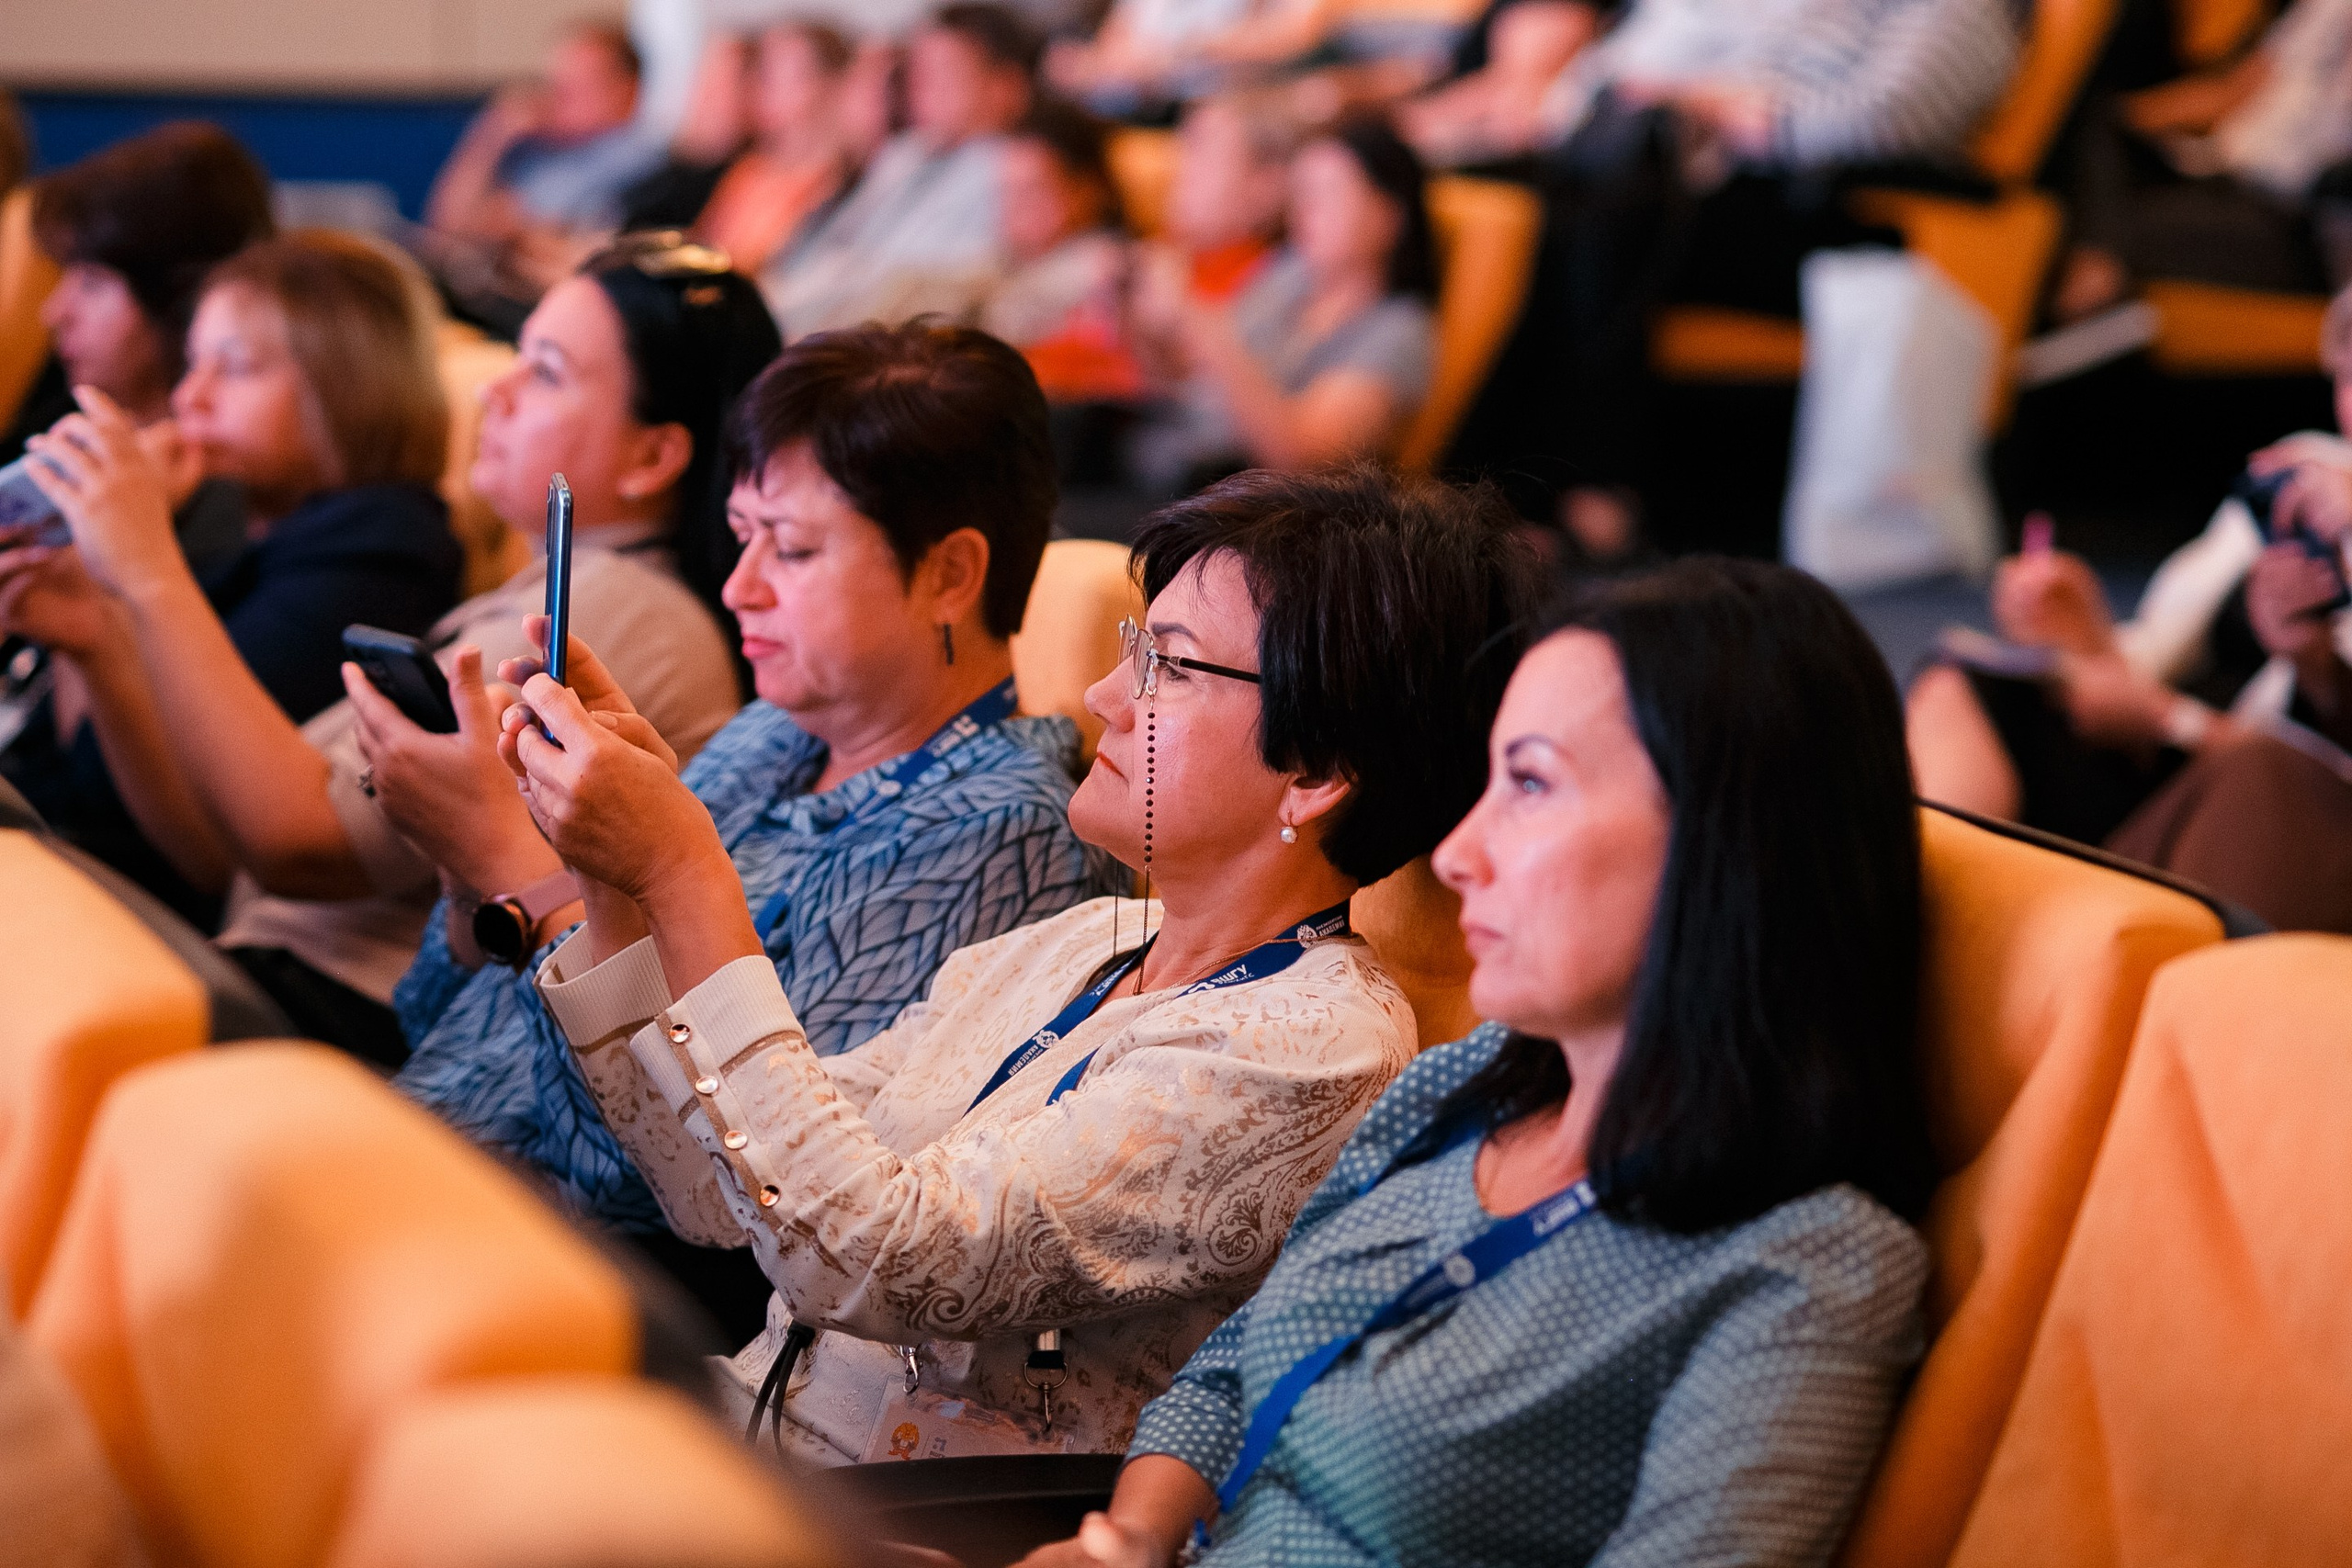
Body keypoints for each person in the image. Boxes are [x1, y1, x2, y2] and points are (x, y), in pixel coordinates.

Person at [499, 464, 1530, 1462]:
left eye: (1165, 664)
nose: (1101, 695)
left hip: (916, 1528)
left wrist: (688, 872)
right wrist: (618, 881)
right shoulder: (1082, 944)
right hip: (742, 1439)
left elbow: (873, 1260)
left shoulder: (1316, 1047)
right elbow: (714, 1185)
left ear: (1314, 772)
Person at [1021, 557, 1935, 1567]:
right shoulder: (1459, 1089)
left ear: (1725, 840)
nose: (1458, 855)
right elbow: (1230, 1368)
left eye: (1532, 784)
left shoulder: (1806, 1262)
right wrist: (1127, 1545)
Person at [386, 322, 1108, 1336]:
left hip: (550, 1280)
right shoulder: (773, 732)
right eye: (742, 534)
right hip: (419, 1163)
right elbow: (432, 1016)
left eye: (796, 548)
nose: (739, 587)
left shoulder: (1002, 833)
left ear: (951, 574)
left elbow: (694, 1206)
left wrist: (531, 866)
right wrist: (485, 878)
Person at [3, 238, 774, 1066]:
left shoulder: (619, 608)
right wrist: (99, 635)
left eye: (545, 372)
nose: (496, 391)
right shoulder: (544, 589)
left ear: (653, 453)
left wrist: (148, 569)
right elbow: (214, 849)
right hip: (282, 984)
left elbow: (299, 844)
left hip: (343, 1024)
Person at [0, 231, 462, 928]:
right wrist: (87, 618)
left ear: (346, 388)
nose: (191, 397)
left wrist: (127, 566)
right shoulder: (247, 520)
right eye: (193, 364)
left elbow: (168, 819)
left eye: (235, 368)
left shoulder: (381, 547)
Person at [1450, 0, 2018, 557]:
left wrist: (1732, 112)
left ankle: (1574, 489)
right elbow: (1607, 77)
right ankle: (1500, 487)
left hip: (1833, 207)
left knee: (1612, 222)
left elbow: (1895, 116)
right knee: (1546, 211)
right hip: (1686, 184)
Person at [3, 121, 276, 573]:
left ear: (180, 303)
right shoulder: (57, 429)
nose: (55, 311)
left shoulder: (232, 511)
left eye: (91, 283)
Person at [1130, 115, 1437, 491]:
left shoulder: (1399, 330)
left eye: (1326, 194)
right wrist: (1134, 313)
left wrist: (1197, 321)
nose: (1304, 211)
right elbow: (1184, 377)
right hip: (1173, 458)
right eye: (1301, 194)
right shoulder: (1290, 272)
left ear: (1389, 216)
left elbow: (1298, 460)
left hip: (1239, 509)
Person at [2049, 0, 2352, 322]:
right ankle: (2094, 256)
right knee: (2084, 111)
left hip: (2300, 218)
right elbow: (2233, 92)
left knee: (2096, 231)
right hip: (2223, 170)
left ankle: (2094, 262)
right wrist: (2123, 117)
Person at [763, 4, 1040, 337]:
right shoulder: (905, 155)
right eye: (920, 73)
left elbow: (953, 283)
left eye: (946, 73)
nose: (924, 89)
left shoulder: (1010, 167)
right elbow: (841, 247)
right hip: (825, 311)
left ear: (1007, 86)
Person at [426, 21, 666, 272]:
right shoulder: (543, 153)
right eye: (555, 85)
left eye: (575, 87)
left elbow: (581, 251)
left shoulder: (640, 157)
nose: (555, 99)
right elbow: (448, 224)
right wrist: (493, 135)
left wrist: (515, 231)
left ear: (625, 88)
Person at [984, 98, 1143, 406]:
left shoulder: (1105, 269)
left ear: (1087, 191)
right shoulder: (1003, 265)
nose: (1013, 209)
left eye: (1031, 191)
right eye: (1004, 191)